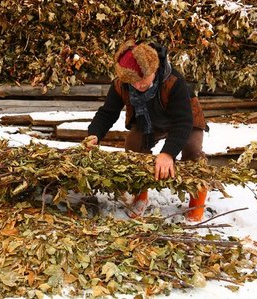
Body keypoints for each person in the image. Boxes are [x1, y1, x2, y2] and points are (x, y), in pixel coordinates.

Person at [84, 40, 208, 221]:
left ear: (154, 69)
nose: (138, 85)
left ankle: (198, 197)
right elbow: (107, 113)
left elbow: (183, 122)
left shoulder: (174, 82)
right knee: (133, 145)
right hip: (149, 122)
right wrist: (94, 134)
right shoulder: (121, 84)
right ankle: (140, 194)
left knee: (192, 149)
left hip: (186, 120)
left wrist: (167, 154)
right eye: (133, 82)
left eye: (143, 79)